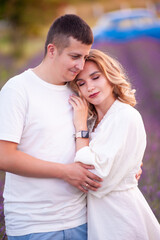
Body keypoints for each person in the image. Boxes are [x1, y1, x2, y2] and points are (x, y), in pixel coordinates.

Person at [0, 14, 103, 240]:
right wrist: (66, 173)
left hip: (81, 219)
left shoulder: (80, 90)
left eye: (85, 57)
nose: (81, 66)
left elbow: (100, 140)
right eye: (75, 56)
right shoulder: (18, 90)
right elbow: (4, 157)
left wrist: (128, 163)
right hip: (34, 224)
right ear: (52, 50)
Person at [69, 49, 160, 240]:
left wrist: (80, 129)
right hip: (99, 217)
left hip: (120, 218)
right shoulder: (93, 120)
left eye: (95, 77)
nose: (90, 87)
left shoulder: (125, 115)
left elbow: (94, 177)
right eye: (82, 83)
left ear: (110, 76)